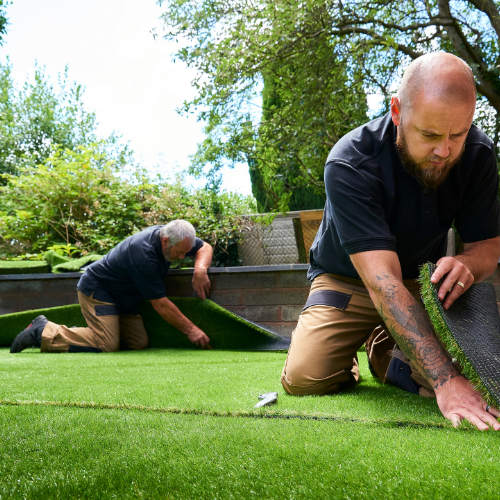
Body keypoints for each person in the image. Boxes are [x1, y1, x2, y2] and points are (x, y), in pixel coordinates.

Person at [281, 52, 500, 430]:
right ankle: (346, 351)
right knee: (306, 379)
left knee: (476, 373)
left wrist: (467, 265)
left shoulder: (478, 155)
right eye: (429, 134)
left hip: (419, 280)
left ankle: (386, 353)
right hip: (347, 280)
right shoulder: (349, 162)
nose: (444, 151)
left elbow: (488, 248)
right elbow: (382, 284)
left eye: (457, 134)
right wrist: (445, 380)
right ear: (397, 111)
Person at [10, 219, 213, 353]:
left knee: (138, 343)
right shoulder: (143, 255)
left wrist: (200, 269)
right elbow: (160, 304)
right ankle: (43, 330)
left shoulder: (178, 237)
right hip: (99, 290)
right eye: (178, 252)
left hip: (124, 299)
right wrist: (191, 330)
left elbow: (205, 247)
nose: (181, 257)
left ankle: (103, 332)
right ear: (166, 240)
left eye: (185, 253)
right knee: (107, 344)